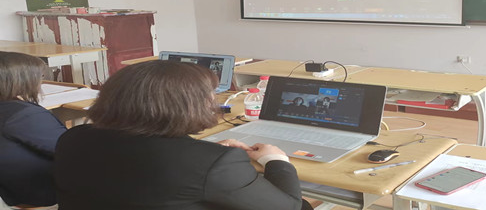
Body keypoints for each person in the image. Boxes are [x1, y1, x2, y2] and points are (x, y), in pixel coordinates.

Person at [54, 60, 313, 210]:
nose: (214, 101)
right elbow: (289, 207)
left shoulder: (74, 137)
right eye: (211, 95)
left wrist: (207, 154)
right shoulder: (213, 163)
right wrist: (276, 161)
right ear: (186, 106)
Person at [0, 51, 67, 208]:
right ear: (22, 80)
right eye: (40, 77)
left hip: (9, 190)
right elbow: (68, 149)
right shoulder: (23, 115)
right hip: (37, 195)